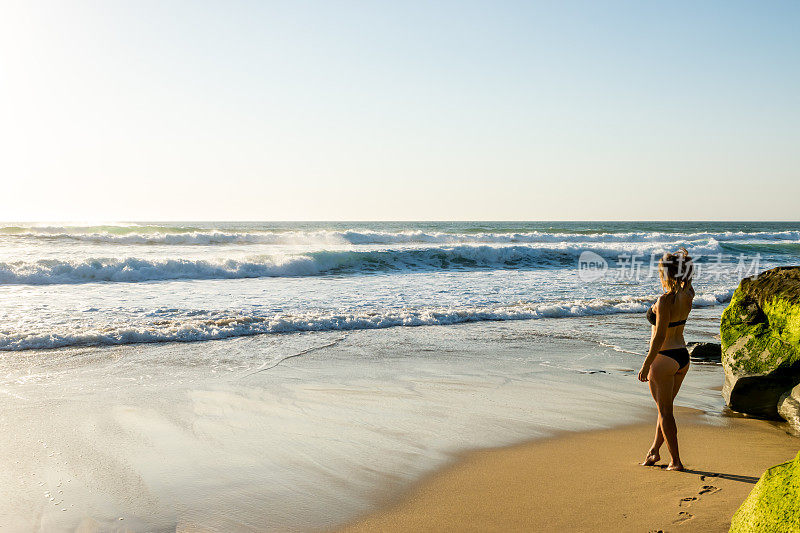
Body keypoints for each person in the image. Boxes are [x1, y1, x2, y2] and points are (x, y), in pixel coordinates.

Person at [638, 248, 694, 471]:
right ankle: (654, 451)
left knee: (665, 413)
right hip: (682, 357)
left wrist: (646, 364)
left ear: (667, 274)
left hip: (663, 359)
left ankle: (676, 461)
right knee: (665, 410)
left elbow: (659, 337)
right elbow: (685, 280)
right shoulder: (688, 293)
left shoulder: (663, 301)